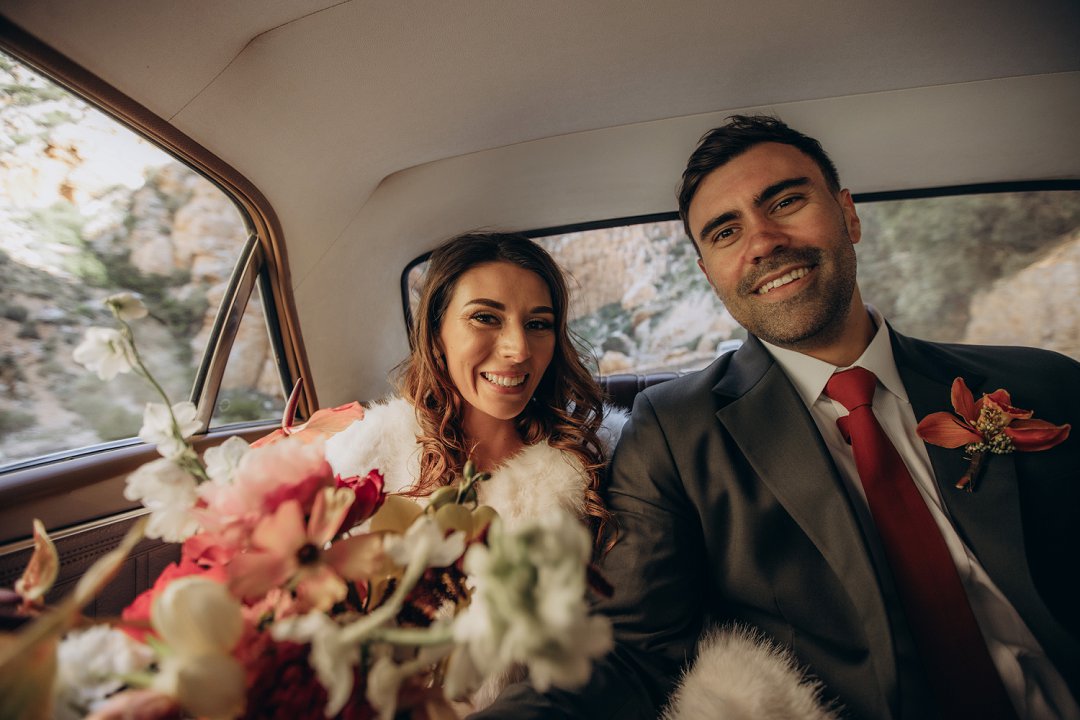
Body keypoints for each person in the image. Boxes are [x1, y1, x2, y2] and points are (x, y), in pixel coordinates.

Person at [475, 116, 1080, 719]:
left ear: (848, 215)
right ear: (709, 274)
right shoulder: (676, 432)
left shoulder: (1044, 383)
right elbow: (631, 653)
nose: (763, 242)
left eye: (786, 202)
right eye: (725, 232)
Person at [325, 230, 628, 707]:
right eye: (485, 317)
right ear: (436, 335)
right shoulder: (366, 459)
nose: (518, 349)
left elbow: (627, 641)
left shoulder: (604, 457)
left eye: (539, 324)